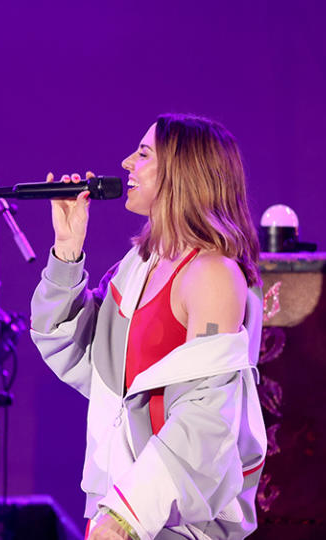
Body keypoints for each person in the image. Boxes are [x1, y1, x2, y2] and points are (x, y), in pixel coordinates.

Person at [30, 113, 267, 540]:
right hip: (119, 506)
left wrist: (126, 516)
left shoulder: (211, 274)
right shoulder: (137, 268)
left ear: (183, 170)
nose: (125, 164)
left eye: (142, 154)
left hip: (168, 515)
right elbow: (76, 352)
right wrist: (67, 249)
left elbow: (207, 415)